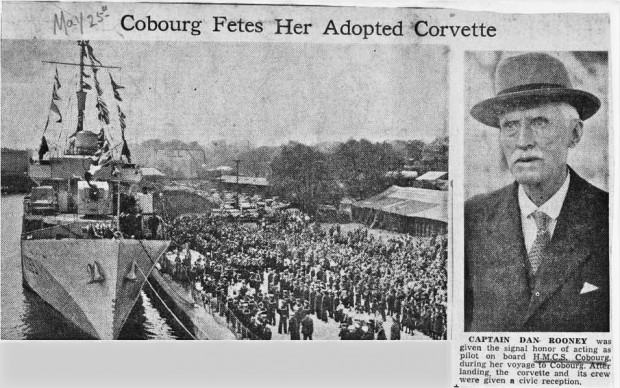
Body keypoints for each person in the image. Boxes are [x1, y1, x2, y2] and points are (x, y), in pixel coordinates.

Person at [465, 52, 609, 332]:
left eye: (540, 122)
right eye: (510, 126)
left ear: (575, 134)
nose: (523, 142)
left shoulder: (608, 216)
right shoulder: (472, 218)